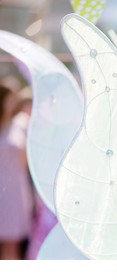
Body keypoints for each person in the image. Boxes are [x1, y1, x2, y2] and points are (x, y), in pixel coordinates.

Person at [0, 84, 34, 259]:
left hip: (15, 187)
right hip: (2, 186)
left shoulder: (21, 122)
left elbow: (27, 160)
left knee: (12, 241)